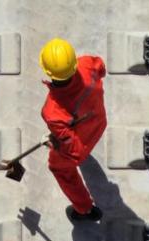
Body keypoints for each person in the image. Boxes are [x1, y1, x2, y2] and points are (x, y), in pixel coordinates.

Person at [39, 38, 107, 222]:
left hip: (82, 141)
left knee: (60, 168)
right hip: (98, 123)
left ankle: (85, 209)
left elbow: (74, 150)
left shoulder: (53, 111)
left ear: (48, 71)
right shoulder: (87, 65)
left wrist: (56, 143)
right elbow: (101, 68)